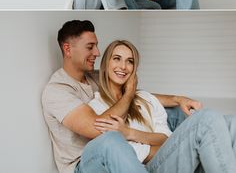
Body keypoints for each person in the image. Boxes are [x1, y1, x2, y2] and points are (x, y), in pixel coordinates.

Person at [42, 21, 236, 173]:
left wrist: (178, 99)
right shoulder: (58, 89)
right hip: (86, 162)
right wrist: (169, 145)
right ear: (68, 49)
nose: (97, 53)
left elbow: (140, 95)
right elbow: (101, 128)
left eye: (129, 62)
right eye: (90, 47)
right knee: (112, 139)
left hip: (133, 148)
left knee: (226, 123)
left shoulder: (93, 75)